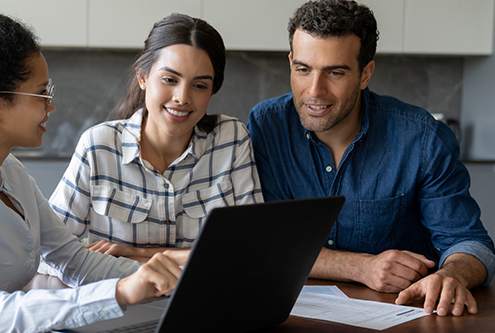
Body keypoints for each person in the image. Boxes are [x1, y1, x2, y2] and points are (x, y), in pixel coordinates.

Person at [247, 0, 495, 317]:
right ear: (291, 62)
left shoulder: (422, 138)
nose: (314, 91)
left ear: (366, 73)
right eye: (303, 69)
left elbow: (471, 244)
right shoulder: (267, 126)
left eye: (335, 72)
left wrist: (452, 275)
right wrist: (361, 267)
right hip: (291, 316)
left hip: (404, 316)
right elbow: (267, 244)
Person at [0, 14, 188, 332]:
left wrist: (169, 279)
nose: (52, 105)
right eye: (42, 93)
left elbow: (75, 260)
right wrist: (118, 293)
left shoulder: (14, 175)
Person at [48, 13, 263, 263]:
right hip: (120, 300)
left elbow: (253, 249)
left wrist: (141, 255)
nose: (182, 97)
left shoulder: (232, 139)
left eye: (200, 86)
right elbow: (50, 250)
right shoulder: (99, 146)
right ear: (143, 77)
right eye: (169, 80)